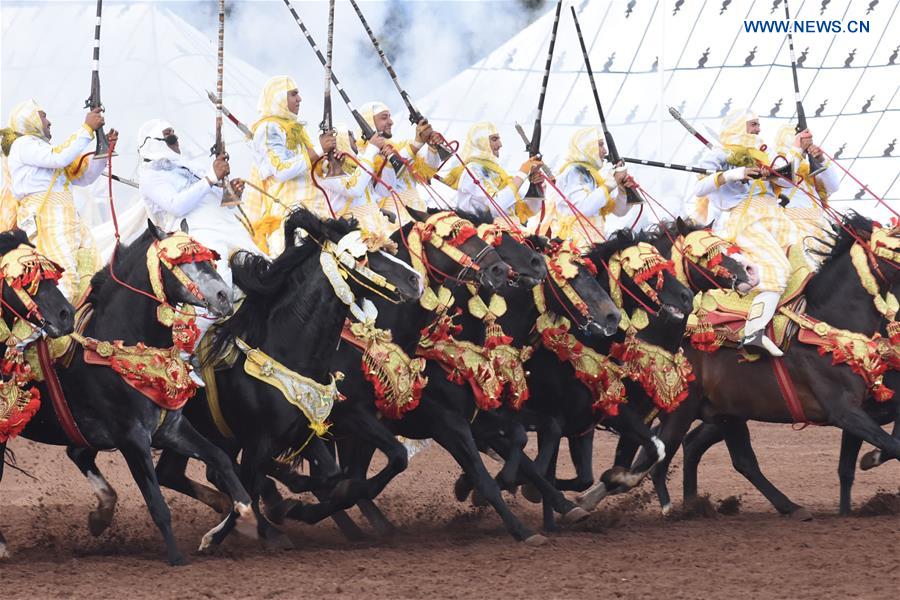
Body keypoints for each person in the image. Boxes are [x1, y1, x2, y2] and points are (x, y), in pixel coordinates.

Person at [137, 118, 261, 384]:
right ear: (155, 144)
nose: (176, 143)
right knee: (219, 288)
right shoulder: (150, 175)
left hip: (226, 228)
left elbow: (210, 199)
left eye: (175, 138)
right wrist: (211, 177)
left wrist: (230, 193)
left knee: (266, 267)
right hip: (192, 237)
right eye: (170, 139)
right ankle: (181, 356)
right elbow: (178, 205)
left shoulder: (185, 167)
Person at [694, 109, 801, 356]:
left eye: (758, 124)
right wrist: (736, 173)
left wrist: (775, 167)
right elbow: (700, 187)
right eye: (753, 125)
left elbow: (787, 181)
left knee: (805, 261)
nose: (757, 129)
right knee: (777, 269)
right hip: (745, 218)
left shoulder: (763, 150)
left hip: (775, 215)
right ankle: (754, 331)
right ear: (740, 126)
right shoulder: (719, 154)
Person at [7, 100, 117, 302]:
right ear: (29, 119)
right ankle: (50, 332)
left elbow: (86, 177)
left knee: (90, 273)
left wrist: (104, 151)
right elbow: (59, 158)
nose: (49, 122)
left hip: (69, 220)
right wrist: (87, 129)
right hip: (47, 221)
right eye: (43, 116)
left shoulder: (45, 151)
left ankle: (82, 328)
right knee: (64, 280)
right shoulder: (23, 145)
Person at [241, 75, 336, 254]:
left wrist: (328, 163)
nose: (299, 99)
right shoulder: (268, 128)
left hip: (316, 209)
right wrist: (318, 149)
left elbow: (307, 167)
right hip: (291, 216)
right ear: (279, 98)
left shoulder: (294, 128)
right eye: (293, 94)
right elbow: (281, 170)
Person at [538, 127, 632, 248]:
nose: (605, 151)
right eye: (600, 145)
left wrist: (623, 190)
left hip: (595, 245)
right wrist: (612, 182)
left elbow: (619, 211)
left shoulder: (594, 176)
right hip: (573, 250)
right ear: (588, 147)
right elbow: (583, 209)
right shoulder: (572, 172)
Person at [354, 101, 443, 221]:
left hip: (422, 213)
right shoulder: (363, 158)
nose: (391, 122)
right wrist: (417, 144)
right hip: (396, 222)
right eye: (384, 118)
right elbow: (382, 191)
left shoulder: (399, 148)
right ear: (369, 123)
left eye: (390, 117)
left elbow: (427, 171)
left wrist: (433, 147)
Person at [441, 121, 542, 222]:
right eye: (494, 139)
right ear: (480, 142)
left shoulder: (498, 172)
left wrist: (535, 185)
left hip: (508, 231)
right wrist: (522, 173)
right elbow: (496, 205)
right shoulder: (472, 170)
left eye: (499, 139)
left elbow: (529, 210)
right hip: (481, 232)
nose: (500, 144)